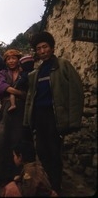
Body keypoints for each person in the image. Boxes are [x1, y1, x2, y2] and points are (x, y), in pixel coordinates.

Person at [23, 31, 84, 194]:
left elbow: (76, 92)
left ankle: (56, 187)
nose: (42, 51)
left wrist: (73, 120)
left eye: (45, 47)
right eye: (39, 48)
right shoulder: (35, 73)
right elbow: (30, 99)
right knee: (42, 152)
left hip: (54, 116)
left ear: (51, 47)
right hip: (40, 117)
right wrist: (28, 121)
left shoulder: (63, 65)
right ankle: (47, 185)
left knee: (54, 152)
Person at [0, 49, 33, 188]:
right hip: (5, 108)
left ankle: (16, 175)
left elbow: (28, 92)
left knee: (17, 140)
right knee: (2, 140)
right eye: (8, 59)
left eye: (14, 58)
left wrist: (14, 91)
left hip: (21, 109)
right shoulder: (3, 73)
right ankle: (0, 176)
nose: (11, 61)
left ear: (18, 59)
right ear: (5, 61)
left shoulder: (25, 73)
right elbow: (1, 86)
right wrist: (17, 92)